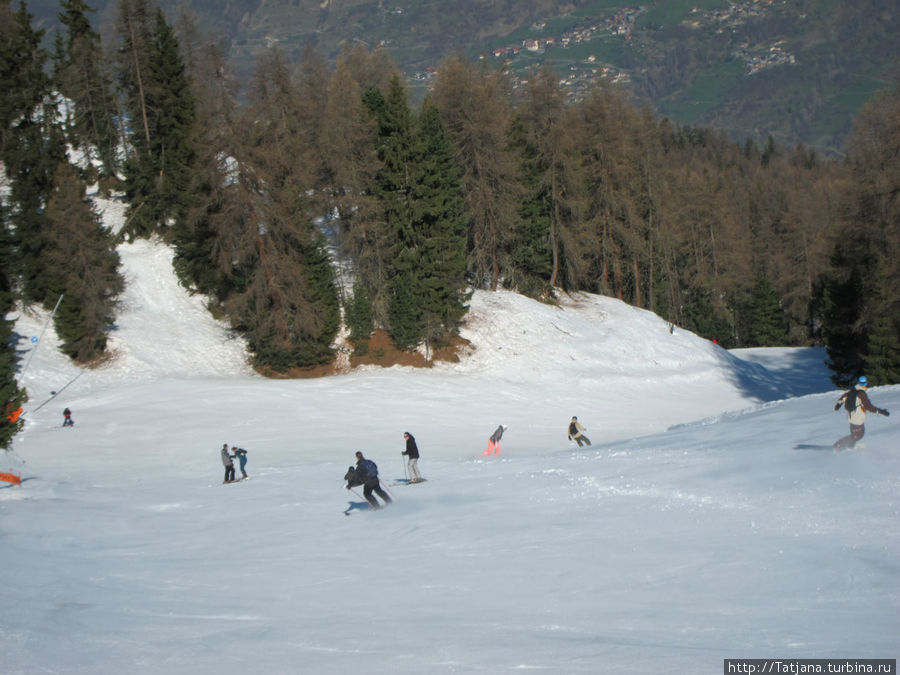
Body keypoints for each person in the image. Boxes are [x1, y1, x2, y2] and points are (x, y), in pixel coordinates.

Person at [832, 376, 889, 451]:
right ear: (865, 384)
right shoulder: (861, 394)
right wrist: (882, 411)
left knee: (855, 435)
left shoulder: (851, 392)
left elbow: (842, 399)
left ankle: (848, 447)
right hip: (858, 419)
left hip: (851, 418)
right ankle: (838, 446)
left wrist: (837, 406)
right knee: (858, 436)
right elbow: (869, 407)